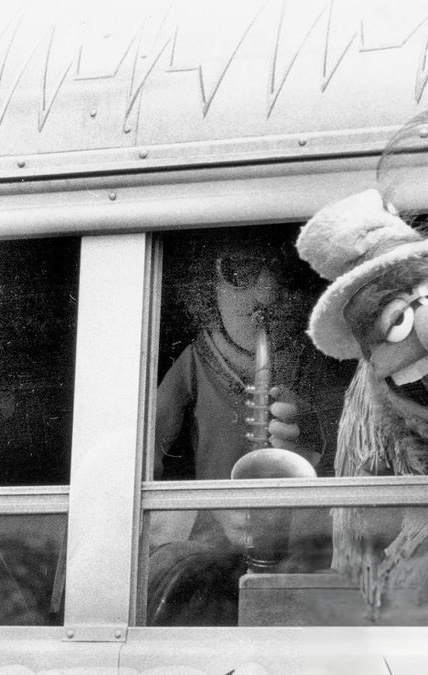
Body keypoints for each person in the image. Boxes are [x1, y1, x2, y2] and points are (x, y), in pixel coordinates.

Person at [148, 227, 350, 624]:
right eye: (241, 271)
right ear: (210, 286)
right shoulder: (199, 356)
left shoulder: (316, 359)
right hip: (215, 532)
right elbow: (145, 443)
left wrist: (312, 430)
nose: (268, 291)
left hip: (304, 537)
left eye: (283, 274)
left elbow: (353, 444)